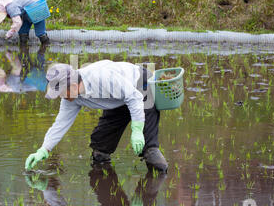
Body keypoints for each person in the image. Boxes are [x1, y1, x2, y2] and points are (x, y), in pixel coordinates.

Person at [24, 60, 169, 173]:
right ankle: (108, 191)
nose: (60, 97)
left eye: (61, 92)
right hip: (116, 100)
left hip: (141, 88)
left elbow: (134, 97)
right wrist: (44, 149)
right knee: (100, 149)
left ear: (73, 86)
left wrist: (137, 130)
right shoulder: (70, 98)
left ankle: (153, 191)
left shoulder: (101, 78)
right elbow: (60, 124)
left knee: (150, 151)